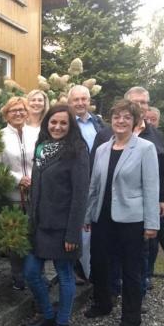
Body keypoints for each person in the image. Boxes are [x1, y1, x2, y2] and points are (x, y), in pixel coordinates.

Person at [83, 99, 159, 326]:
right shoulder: (103, 149)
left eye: (127, 117)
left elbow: (151, 187)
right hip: (102, 218)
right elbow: (94, 186)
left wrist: (151, 223)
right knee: (100, 264)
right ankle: (103, 304)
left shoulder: (145, 148)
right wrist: (87, 215)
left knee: (131, 270)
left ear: (135, 121)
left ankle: (131, 316)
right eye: (117, 116)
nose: (121, 121)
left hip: (131, 220)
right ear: (111, 120)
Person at [21, 105, 89, 326]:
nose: (57, 127)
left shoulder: (78, 150)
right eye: (53, 122)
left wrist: (73, 234)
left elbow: (80, 195)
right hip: (39, 225)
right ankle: (48, 315)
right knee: (30, 272)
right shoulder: (41, 149)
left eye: (63, 123)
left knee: (65, 275)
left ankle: (62, 323)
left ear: (70, 126)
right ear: (46, 123)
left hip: (63, 228)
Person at [124, 87, 164, 294]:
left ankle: (140, 288)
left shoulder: (158, 138)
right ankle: (117, 286)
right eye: (136, 102)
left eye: (144, 102)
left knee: (145, 248)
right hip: (119, 202)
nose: (140, 106)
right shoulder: (113, 132)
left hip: (147, 203)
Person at [0, 96, 39, 290]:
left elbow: (43, 160)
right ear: (7, 114)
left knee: (35, 234)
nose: (18, 113)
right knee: (15, 237)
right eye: (14, 110)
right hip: (13, 196)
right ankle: (18, 276)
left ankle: (34, 274)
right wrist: (17, 179)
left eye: (22, 110)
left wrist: (33, 178)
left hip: (36, 193)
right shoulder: (0, 136)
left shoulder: (36, 134)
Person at [67, 85, 105, 286]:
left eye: (84, 99)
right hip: (74, 183)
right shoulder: (65, 124)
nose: (81, 103)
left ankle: (92, 270)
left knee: (93, 226)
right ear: (69, 102)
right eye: (76, 100)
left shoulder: (98, 123)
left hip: (98, 181)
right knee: (76, 226)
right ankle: (75, 269)